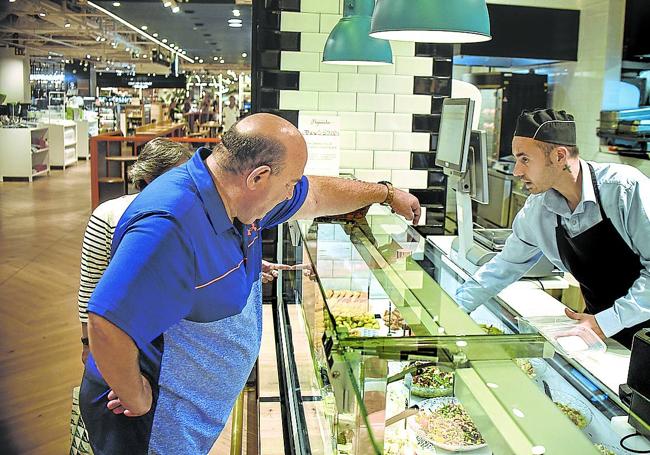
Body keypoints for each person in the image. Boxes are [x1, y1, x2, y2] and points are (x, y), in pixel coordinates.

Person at [80, 113, 421, 454]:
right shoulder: (170, 223)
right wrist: (135, 396)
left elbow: (315, 194)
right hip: (157, 421)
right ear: (258, 177)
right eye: (289, 182)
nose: (291, 192)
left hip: (193, 410)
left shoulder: (239, 197)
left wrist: (386, 194)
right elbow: (106, 322)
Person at [456, 109, 650, 348]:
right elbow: (505, 265)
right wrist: (453, 310)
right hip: (599, 331)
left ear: (559, 157)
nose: (517, 171)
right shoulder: (538, 209)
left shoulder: (625, 189)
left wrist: (607, 322)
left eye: (525, 159)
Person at [77, 138, 193, 364]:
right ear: (149, 178)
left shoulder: (189, 214)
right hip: (122, 331)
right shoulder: (108, 214)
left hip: (177, 342)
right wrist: (88, 343)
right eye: (177, 176)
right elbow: (91, 284)